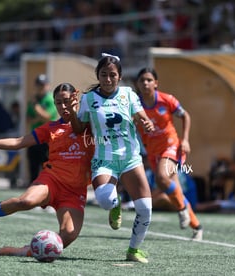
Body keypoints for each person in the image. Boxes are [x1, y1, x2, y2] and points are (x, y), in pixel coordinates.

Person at [0, 83, 94, 257]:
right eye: (58, 103)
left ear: (76, 100)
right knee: (26, 201)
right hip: (52, 179)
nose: (63, 107)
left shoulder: (91, 126)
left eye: (67, 101)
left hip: (75, 191)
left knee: (68, 235)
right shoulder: (51, 127)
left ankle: (27, 251)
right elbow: (18, 142)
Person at [68, 53, 155, 263]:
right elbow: (79, 130)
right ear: (98, 75)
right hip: (104, 159)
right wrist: (72, 112)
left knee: (145, 209)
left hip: (130, 159)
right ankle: (115, 205)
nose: (108, 79)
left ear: (120, 76)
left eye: (112, 75)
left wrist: (146, 123)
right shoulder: (88, 99)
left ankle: (133, 251)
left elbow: (142, 117)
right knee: (106, 201)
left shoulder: (128, 94)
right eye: (104, 74)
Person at [135, 67, 203, 241]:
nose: (145, 83)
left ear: (156, 83)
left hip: (171, 146)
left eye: (149, 80)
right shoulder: (136, 105)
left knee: (161, 177)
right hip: (152, 151)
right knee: (174, 190)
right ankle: (196, 226)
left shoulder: (167, 100)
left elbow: (185, 116)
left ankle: (181, 210)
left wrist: (185, 140)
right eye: (142, 80)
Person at [26, 74, 58, 183]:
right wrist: (39, 116)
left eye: (43, 85)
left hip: (47, 139)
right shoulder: (33, 100)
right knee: (33, 167)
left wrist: (36, 107)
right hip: (34, 137)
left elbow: (47, 117)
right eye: (39, 85)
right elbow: (28, 119)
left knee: (46, 167)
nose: (41, 87)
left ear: (48, 85)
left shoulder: (49, 99)